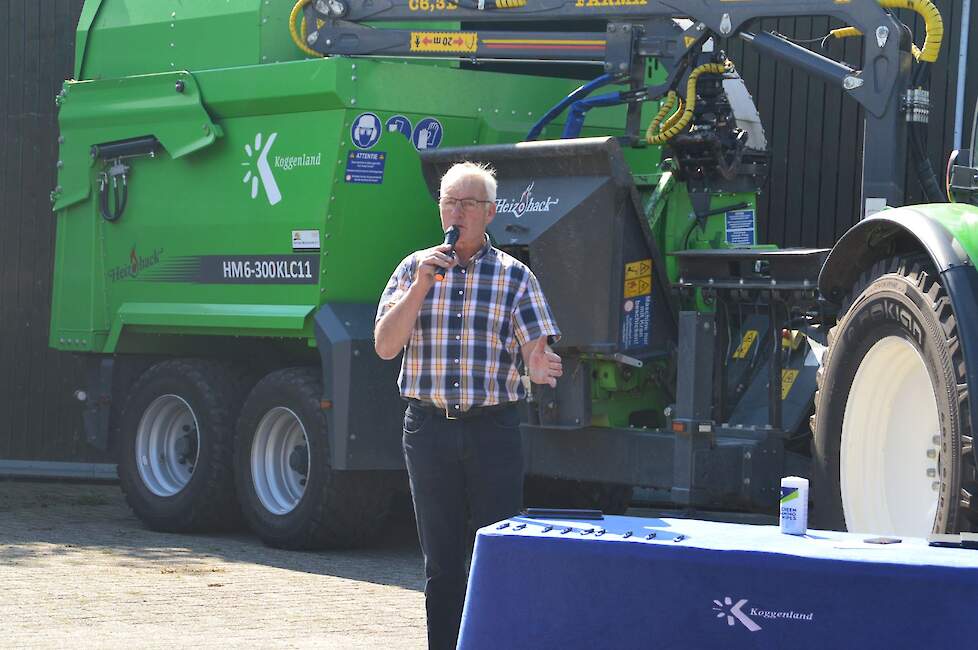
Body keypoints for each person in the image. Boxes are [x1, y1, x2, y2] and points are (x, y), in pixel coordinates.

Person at [374, 161, 563, 649]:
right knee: (441, 562)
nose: (456, 211)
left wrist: (537, 363)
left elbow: (534, 345)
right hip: (428, 428)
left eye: (467, 203)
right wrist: (419, 286)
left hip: (491, 432)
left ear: (490, 213)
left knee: (495, 553)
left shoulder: (514, 277)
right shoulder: (412, 268)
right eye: (449, 202)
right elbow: (385, 346)